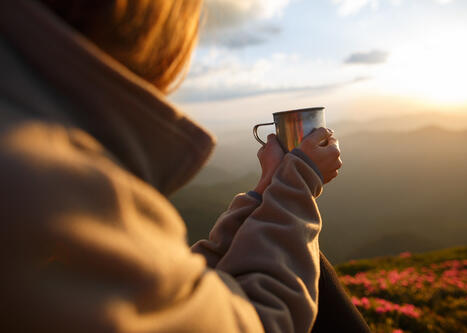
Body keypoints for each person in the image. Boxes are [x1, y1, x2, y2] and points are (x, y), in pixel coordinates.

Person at [0, 1, 368, 332]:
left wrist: (265, 191)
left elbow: (174, 292)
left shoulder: (30, 146)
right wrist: (300, 180)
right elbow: (260, 323)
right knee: (320, 283)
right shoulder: (48, 179)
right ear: (157, 21)